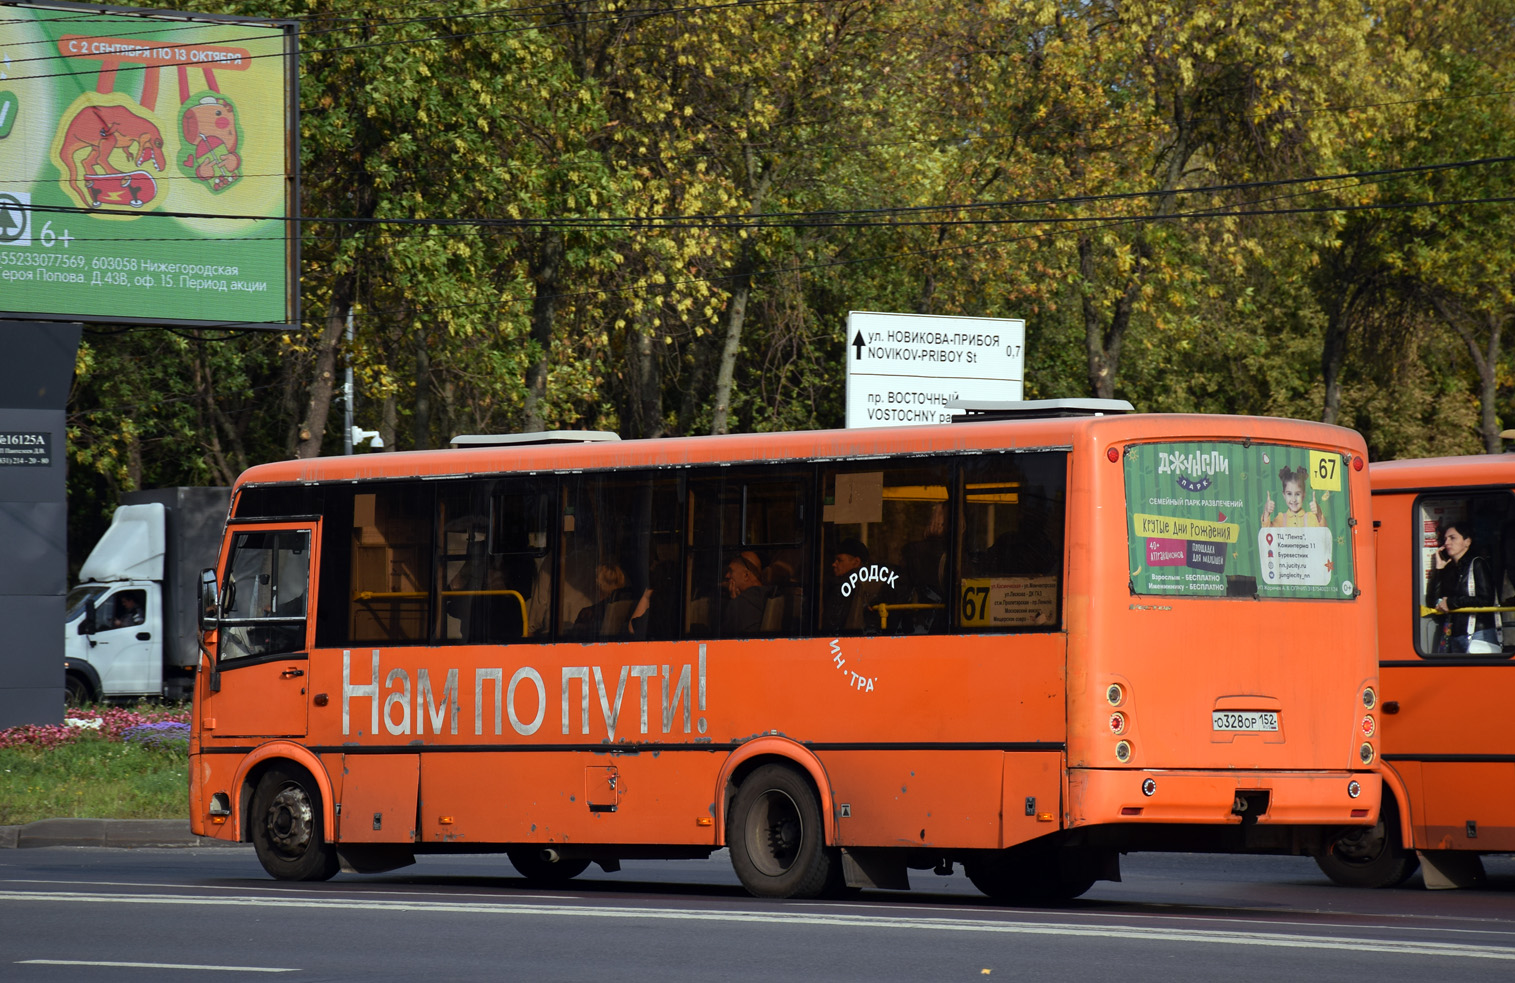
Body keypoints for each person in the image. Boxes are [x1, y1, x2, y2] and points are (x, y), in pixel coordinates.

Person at [1430, 519, 1500, 654]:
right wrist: (1439, 570)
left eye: (1452, 538)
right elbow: (1434, 601)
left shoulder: (1477, 564)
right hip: (1454, 634)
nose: (1447, 543)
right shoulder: (1450, 568)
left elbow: (1486, 599)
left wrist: (1451, 603)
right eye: (1445, 539)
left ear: (1467, 541)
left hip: (1478, 633)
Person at [821, 538, 870, 634]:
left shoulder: (842, 586)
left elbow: (832, 623)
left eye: (839, 560)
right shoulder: (872, 583)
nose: (834, 564)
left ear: (856, 562)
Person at [719, 554, 766, 636]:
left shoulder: (740, 604)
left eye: (731, 571)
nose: (727, 576)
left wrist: (735, 604)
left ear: (746, 575)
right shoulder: (768, 595)